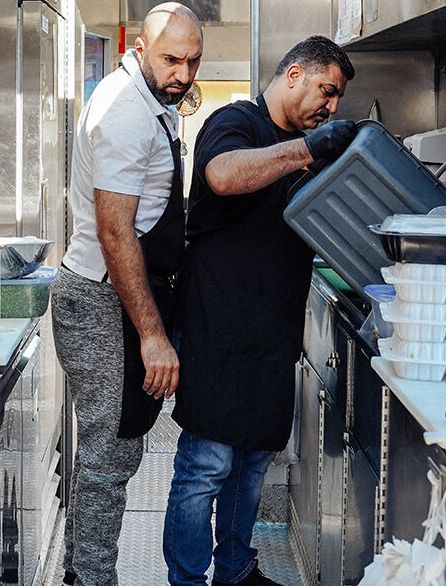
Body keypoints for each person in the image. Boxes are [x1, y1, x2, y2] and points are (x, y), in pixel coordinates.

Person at [163, 34, 358, 586]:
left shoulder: (308, 142)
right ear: (293, 73)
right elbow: (223, 177)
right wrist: (309, 150)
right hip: (217, 326)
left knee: (251, 468)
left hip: (273, 333)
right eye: (327, 90)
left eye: (338, 98)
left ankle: (235, 570)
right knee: (207, 467)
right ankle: (186, 578)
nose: (331, 106)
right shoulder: (235, 121)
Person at [53, 1, 204, 586]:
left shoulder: (149, 100)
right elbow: (116, 232)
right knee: (107, 461)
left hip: (111, 296)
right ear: (141, 49)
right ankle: (91, 580)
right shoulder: (125, 113)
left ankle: (81, 575)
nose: (183, 75)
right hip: (99, 301)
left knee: (108, 452)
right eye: (171, 60)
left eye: (193, 61)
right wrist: (152, 336)